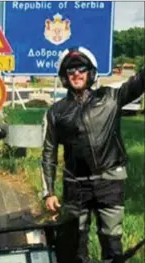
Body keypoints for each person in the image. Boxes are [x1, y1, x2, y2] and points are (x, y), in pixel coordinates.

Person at [41, 47, 144, 262]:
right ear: (64, 77)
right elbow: (49, 152)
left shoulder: (111, 98)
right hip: (74, 184)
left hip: (109, 180)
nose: (76, 74)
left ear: (91, 73)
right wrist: (48, 192)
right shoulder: (56, 112)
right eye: (70, 70)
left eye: (81, 68)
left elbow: (139, 82)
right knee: (75, 246)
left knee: (111, 241)